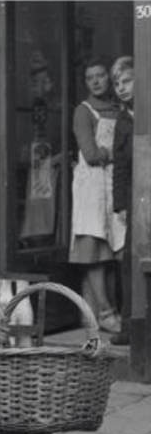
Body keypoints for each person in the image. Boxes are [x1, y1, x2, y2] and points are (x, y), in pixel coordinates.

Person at [69, 56, 124, 333]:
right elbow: (91, 155)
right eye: (90, 78)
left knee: (113, 252)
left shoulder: (118, 108)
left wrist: (110, 156)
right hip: (91, 187)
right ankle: (104, 311)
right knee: (93, 249)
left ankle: (108, 311)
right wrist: (117, 153)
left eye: (100, 75)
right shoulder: (83, 111)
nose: (96, 81)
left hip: (113, 183)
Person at [109, 56, 134, 346]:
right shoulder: (122, 120)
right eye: (117, 84)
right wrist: (121, 205)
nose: (120, 88)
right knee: (129, 263)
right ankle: (129, 328)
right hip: (135, 198)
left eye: (126, 81)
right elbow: (120, 165)